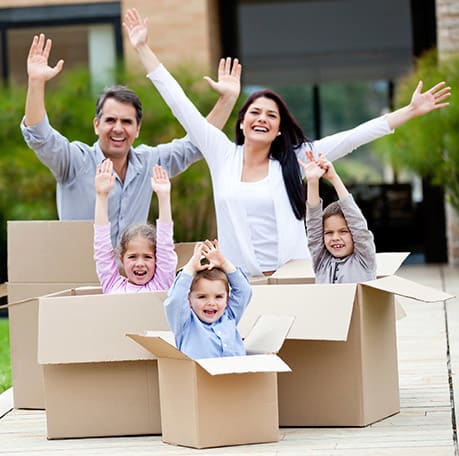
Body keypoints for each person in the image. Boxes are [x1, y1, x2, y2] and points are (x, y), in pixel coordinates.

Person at [124, 8, 451, 277]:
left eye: (271, 115)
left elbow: (354, 136)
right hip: (240, 281)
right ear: (242, 121)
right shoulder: (222, 154)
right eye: (255, 112)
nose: (262, 118)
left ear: (280, 129)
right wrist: (142, 48)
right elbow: (180, 104)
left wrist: (410, 110)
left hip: (296, 277)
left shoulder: (297, 158)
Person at [21, 33, 241, 246]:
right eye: (110, 120)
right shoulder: (74, 161)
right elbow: (40, 136)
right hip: (81, 278)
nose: (118, 129)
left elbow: (198, 144)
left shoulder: (149, 163)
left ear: (137, 129)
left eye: (126, 122)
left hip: (133, 280)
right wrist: (36, 82)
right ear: (96, 125)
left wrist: (228, 100)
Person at [94, 158, 177, 293]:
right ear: (122, 259)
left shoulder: (161, 284)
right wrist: (101, 195)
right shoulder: (112, 284)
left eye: (148, 257)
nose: (140, 264)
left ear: (157, 259)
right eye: (132, 257)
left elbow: (165, 246)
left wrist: (164, 197)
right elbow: (101, 248)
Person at [164, 239, 252, 359]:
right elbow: (175, 300)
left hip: (234, 376)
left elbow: (244, 291)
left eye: (218, 297)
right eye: (202, 297)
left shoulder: (229, 316)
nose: (211, 303)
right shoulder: (186, 323)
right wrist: (190, 268)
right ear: (189, 300)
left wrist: (224, 264)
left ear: (227, 299)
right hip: (200, 376)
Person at [300, 151, 376, 283]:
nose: (335, 238)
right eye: (329, 233)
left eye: (343, 231)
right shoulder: (321, 261)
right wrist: (312, 182)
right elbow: (313, 224)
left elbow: (357, 223)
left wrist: (333, 178)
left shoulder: (364, 260)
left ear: (353, 234)